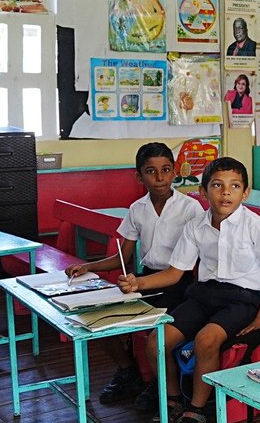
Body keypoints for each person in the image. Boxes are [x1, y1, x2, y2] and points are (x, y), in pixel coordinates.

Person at [118, 157, 260, 423]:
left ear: (245, 193)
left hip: (243, 299)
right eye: (217, 186)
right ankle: (171, 401)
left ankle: (197, 409)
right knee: (157, 341)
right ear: (203, 192)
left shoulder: (259, 226)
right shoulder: (196, 226)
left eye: (234, 186)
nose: (225, 193)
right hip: (204, 294)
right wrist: (138, 282)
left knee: (207, 339)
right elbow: (175, 272)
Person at [64, 143, 202, 406]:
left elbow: (184, 268)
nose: (159, 178)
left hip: (178, 284)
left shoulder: (190, 208)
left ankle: (159, 386)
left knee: (155, 335)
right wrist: (89, 267)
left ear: (175, 173)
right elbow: (122, 257)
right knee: (95, 316)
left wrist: (138, 282)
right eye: (151, 171)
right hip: (145, 279)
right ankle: (128, 371)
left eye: (165, 170)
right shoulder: (137, 209)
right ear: (139, 176)